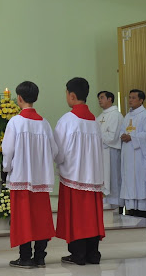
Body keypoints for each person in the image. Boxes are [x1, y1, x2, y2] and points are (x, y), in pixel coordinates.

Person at [2, 81, 57, 269]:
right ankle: (40, 257)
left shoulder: (15, 122)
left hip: (21, 177)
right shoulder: (44, 124)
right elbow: (54, 151)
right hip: (41, 179)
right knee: (41, 218)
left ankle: (25, 258)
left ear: (19, 98)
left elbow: (7, 151)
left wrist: (7, 168)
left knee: (23, 218)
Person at [54, 77, 105, 266]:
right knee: (91, 216)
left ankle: (78, 254)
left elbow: (58, 151)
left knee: (77, 216)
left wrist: (58, 163)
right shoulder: (94, 121)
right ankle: (93, 254)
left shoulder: (67, 120)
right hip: (93, 176)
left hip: (74, 175)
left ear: (72, 95)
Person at [119, 89, 146, 218]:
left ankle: (143, 209)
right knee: (129, 179)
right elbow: (122, 130)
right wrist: (122, 135)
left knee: (140, 179)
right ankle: (131, 208)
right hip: (128, 153)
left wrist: (132, 137)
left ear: (141, 100)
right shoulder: (127, 116)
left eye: (133, 98)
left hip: (139, 154)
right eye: (129, 97)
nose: (130, 100)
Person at [96, 90, 124, 214]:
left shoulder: (116, 115)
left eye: (102, 97)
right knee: (104, 179)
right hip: (102, 152)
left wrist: (98, 136)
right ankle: (105, 204)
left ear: (110, 99)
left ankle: (116, 206)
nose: (99, 100)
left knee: (113, 179)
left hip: (111, 152)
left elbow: (112, 136)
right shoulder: (100, 117)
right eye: (99, 98)